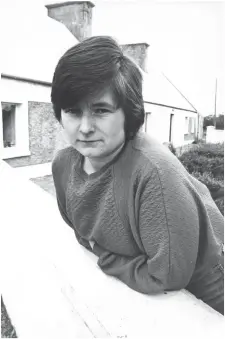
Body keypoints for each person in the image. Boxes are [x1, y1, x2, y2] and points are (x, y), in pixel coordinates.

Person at [51, 36, 224, 315]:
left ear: (129, 114)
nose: (84, 127)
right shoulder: (63, 166)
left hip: (211, 292)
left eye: (101, 110)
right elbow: (83, 234)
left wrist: (106, 258)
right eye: (72, 111)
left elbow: (167, 274)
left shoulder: (153, 173)